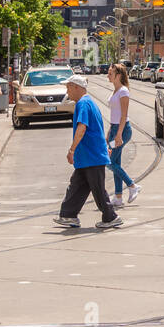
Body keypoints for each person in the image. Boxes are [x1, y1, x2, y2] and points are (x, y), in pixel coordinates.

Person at [54, 75, 122, 229]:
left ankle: (111, 217)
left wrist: (72, 149)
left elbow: (82, 127)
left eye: (68, 87)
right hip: (88, 156)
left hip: (91, 156)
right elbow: (98, 128)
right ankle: (68, 215)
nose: (67, 91)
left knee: (97, 188)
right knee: (77, 185)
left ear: (77, 87)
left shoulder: (83, 104)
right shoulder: (89, 102)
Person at [107, 63, 141, 206]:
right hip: (114, 129)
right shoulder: (115, 91)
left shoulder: (123, 91)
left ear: (118, 75)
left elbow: (124, 115)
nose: (108, 75)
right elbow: (114, 115)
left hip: (123, 130)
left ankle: (132, 186)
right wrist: (109, 133)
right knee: (116, 162)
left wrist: (119, 134)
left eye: (110, 73)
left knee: (109, 162)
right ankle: (118, 197)